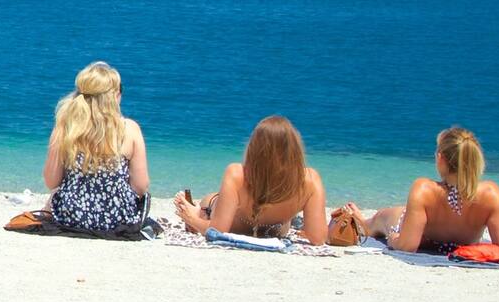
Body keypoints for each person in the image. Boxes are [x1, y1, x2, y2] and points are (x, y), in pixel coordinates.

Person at [337, 127, 499, 253]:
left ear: (441, 159)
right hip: (461, 241)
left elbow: (407, 246)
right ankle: (364, 222)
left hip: (409, 226)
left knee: (380, 218)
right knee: (384, 217)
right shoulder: (491, 194)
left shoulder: (424, 190)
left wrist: (392, 237)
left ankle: (363, 223)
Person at [171, 115, 329, 245]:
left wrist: (190, 218)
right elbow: (318, 238)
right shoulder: (309, 180)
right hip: (276, 230)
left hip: (234, 225)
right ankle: (200, 212)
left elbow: (218, 231)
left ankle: (199, 213)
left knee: (210, 200)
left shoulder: (237, 174)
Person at [41, 62, 150, 232]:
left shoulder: (65, 128)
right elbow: (140, 186)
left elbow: (51, 181)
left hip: (70, 216)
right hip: (118, 220)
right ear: (115, 96)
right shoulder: (130, 129)